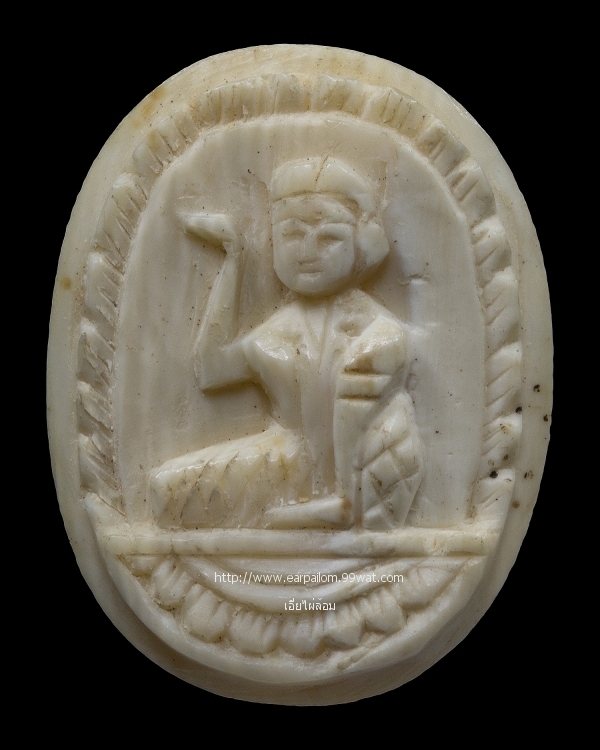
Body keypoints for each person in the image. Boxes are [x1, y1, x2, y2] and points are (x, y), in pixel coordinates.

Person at [164, 157, 424, 531]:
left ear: (362, 244)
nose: (307, 251)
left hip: (367, 479)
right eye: (292, 235)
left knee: (365, 374)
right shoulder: (282, 326)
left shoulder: (376, 327)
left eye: (328, 237)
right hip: (288, 462)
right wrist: (233, 259)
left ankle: (344, 504)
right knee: (168, 493)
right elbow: (211, 371)